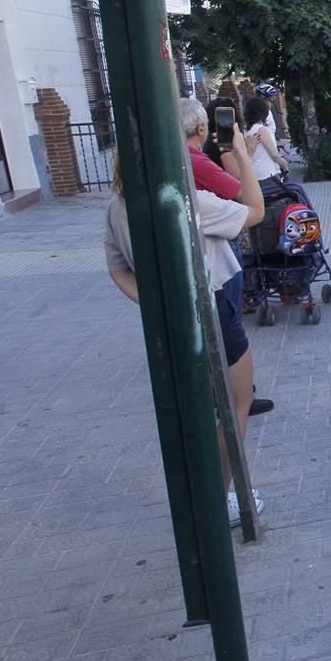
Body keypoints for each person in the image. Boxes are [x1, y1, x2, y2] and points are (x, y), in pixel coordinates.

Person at [105, 98, 271, 525]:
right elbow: (255, 210)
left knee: (198, 405)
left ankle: (206, 494)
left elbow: (117, 268)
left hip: (176, 315)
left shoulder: (119, 203)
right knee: (236, 402)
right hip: (212, 305)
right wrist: (237, 152)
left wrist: (157, 303)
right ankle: (220, 498)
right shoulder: (185, 199)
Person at [244, 96, 287, 185]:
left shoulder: (247, 131)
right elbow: (274, 155)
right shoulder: (261, 129)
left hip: (254, 174)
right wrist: (284, 164)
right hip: (267, 174)